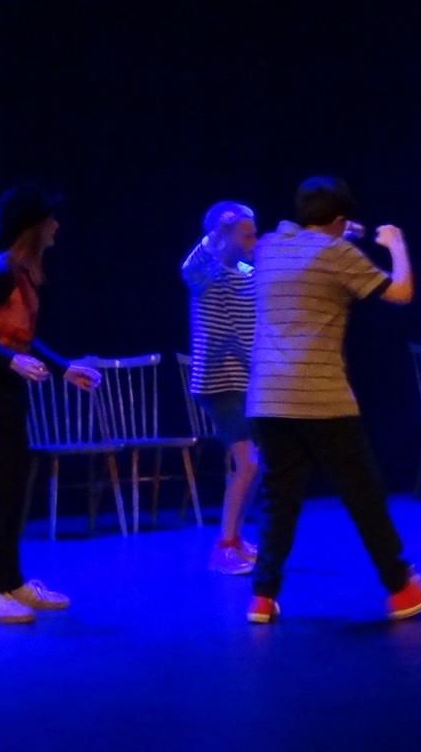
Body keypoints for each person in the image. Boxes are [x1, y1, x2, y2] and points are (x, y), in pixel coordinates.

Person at [244, 176, 421, 623]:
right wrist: (396, 245)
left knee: (279, 499)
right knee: (364, 496)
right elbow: (401, 292)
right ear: (339, 220)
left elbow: (312, 247)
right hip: (320, 396)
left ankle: (262, 597)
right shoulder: (338, 255)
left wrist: (343, 232)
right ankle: (401, 588)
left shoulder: (269, 247)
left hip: (267, 397)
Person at [0, 185, 101, 623]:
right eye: (50, 219)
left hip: (7, 386)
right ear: (33, 226)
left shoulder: (23, 272)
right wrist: (10, 360)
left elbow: (22, 336)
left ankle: (10, 582)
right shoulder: (0, 270)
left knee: (15, 485)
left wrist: (63, 368)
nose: (56, 226)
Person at [181, 201, 262, 575]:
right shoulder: (207, 272)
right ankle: (224, 547)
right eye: (245, 235)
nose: (252, 241)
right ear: (224, 236)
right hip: (219, 379)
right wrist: (215, 232)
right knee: (248, 463)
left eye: (253, 234)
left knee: (253, 465)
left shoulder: (247, 272)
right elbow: (190, 267)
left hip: (246, 379)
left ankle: (235, 538)